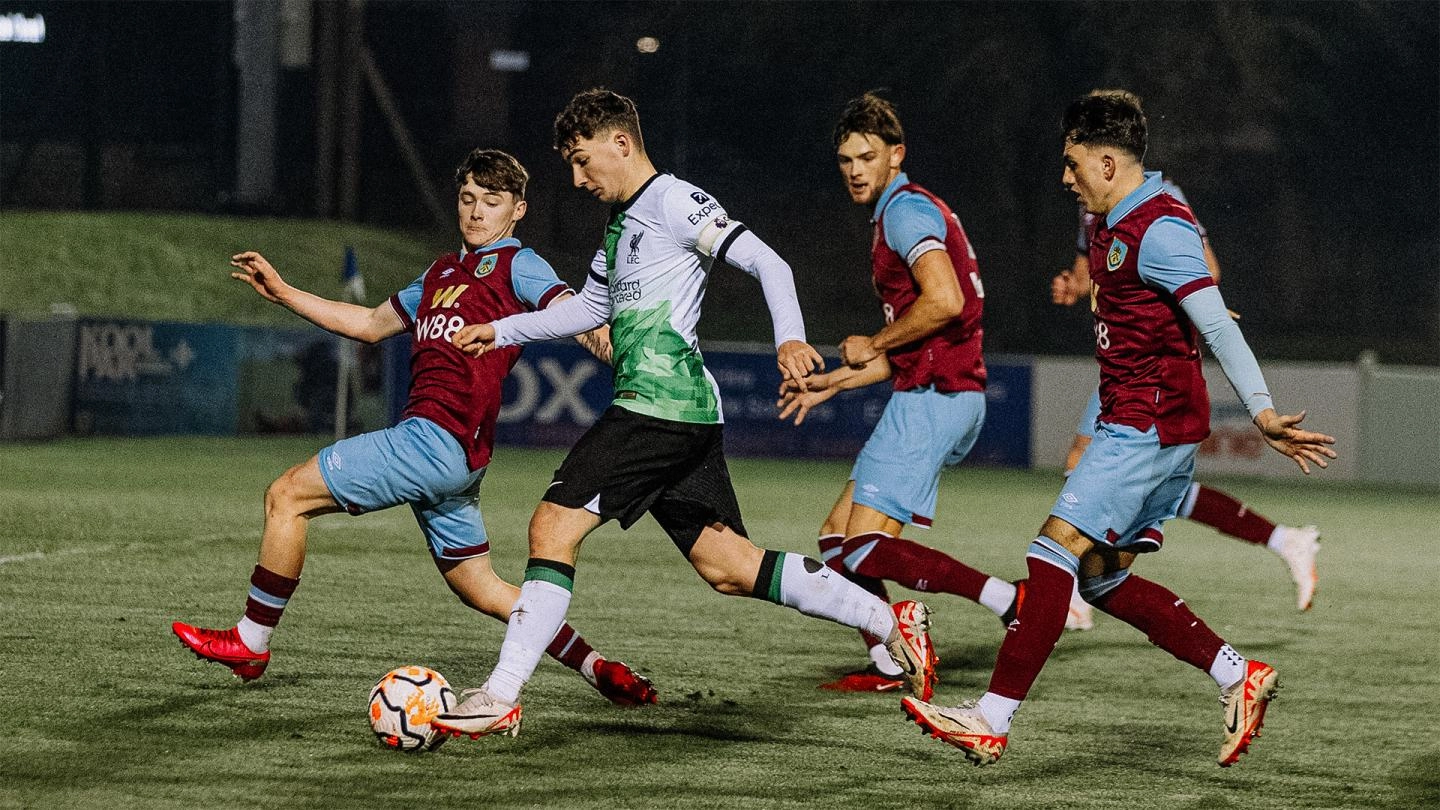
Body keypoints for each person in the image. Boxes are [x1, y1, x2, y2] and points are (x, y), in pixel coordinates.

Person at [432, 88, 936, 740]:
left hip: (660, 407)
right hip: (677, 414)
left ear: (621, 143)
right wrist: (502, 332)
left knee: (551, 527)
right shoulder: (618, 225)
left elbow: (767, 260)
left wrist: (789, 335)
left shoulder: (674, 200)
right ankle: (884, 620)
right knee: (728, 566)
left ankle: (500, 696)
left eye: (584, 161)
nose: (579, 178)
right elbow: (589, 311)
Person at [900, 90, 1336, 767]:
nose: (1064, 177)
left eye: (1073, 164)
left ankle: (990, 718)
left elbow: (1217, 322)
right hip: (1140, 418)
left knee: (1051, 554)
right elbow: (1137, 313)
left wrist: (1263, 412)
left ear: (1107, 162)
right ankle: (1236, 675)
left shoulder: (1159, 227)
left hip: (1147, 424)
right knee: (1101, 578)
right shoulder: (1108, 219)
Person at [171, 148, 656, 708]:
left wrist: (630, 363)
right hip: (454, 459)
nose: (476, 212)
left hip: (433, 439)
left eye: (491, 202)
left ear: (517, 209)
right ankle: (600, 669)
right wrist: (285, 292)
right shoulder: (440, 273)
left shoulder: (518, 266)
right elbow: (370, 324)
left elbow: (576, 319)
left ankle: (251, 641)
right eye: (468, 198)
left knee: (287, 496)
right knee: (480, 587)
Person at [775, 92, 1026, 694]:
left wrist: (873, 339)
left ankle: (1013, 601)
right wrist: (834, 381)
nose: (855, 170)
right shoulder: (906, 209)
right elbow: (905, 351)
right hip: (935, 389)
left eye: (867, 157)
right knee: (838, 538)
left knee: (861, 548)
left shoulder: (906, 213)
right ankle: (893, 662)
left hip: (936, 396)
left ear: (896, 156)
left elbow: (946, 302)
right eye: (844, 160)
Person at [1053, 187, 1321, 613]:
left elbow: (1207, 271)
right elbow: (1093, 274)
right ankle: (1284, 539)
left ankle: (1072, 588)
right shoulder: (1090, 202)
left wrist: (1194, 303)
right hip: (1121, 364)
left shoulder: (1158, 199)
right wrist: (1073, 285)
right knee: (1152, 487)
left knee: (1085, 463)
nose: (1067, 175)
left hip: (1149, 368)